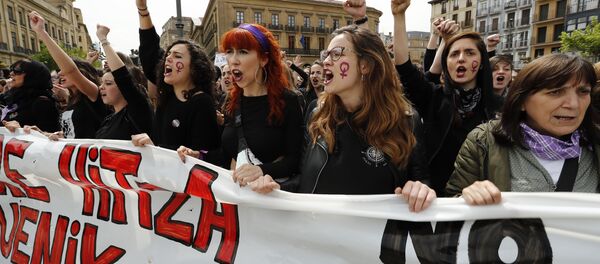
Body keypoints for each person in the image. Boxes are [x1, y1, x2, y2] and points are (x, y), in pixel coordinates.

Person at [250, 1, 435, 213]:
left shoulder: (406, 120)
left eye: (336, 54)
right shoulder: (316, 113)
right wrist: (275, 190)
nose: (326, 61)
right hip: (318, 238)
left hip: (373, 243)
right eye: (326, 55)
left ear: (365, 65)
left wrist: (420, 190)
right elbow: (304, 181)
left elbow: (423, 182)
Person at [446, 53, 600, 204]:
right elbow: (450, 211)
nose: (573, 104)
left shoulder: (596, 143)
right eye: (556, 92)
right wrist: (468, 196)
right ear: (521, 101)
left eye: (583, 91)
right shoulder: (483, 142)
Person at [393, 0, 503, 196]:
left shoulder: (499, 107)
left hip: (482, 202)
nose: (461, 58)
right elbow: (404, 68)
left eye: (469, 53)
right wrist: (399, 16)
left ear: (483, 63)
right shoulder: (434, 98)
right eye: (454, 54)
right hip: (433, 200)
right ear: (446, 64)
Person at [193, 23, 304, 185]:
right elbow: (228, 154)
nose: (234, 60)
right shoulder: (231, 101)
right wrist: (199, 156)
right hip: (236, 203)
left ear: (264, 59)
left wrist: (262, 170)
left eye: (243, 52)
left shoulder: (288, 101)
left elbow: (295, 160)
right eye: (229, 52)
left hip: (269, 201)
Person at [132, 0, 221, 154]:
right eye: (168, 55)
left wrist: (157, 149)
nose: (168, 59)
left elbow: (203, 156)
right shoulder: (166, 97)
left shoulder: (201, 103)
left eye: (177, 56)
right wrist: (142, 9)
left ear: (194, 67)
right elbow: (150, 50)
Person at [30, 11, 109, 139]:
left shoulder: (93, 93)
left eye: (63, 69)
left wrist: (41, 32)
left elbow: (72, 70)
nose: (61, 73)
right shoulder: (72, 100)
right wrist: (42, 134)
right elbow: (72, 133)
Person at [93, 24, 154, 139]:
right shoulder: (109, 119)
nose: (101, 87)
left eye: (108, 83)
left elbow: (123, 77)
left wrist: (103, 39)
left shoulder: (138, 111)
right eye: (101, 83)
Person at [0, 59, 60, 132]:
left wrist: (20, 130)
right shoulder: (15, 97)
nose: (11, 73)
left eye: (17, 71)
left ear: (32, 74)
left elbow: (52, 136)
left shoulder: (42, 102)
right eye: (11, 69)